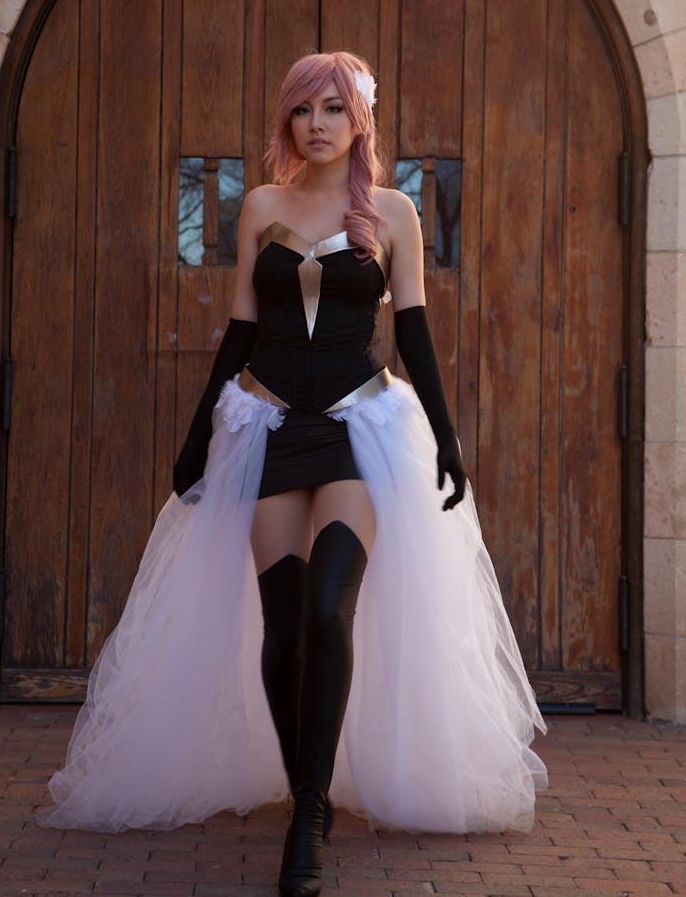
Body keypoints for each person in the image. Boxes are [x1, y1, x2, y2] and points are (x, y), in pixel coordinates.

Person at [39, 52, 547, 897]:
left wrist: (449, 440)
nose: (317, 123)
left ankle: (309, 810)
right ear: (288, 121)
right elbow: (242, 321)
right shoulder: (262, 207)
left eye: (333, 109)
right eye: (303, 109)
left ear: (359, 122)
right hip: (268, 425)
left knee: (326, 602)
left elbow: (413, 328)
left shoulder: (393, 212)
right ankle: (301, 773)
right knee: (281, 620)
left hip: (360, 426)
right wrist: (200, 430)